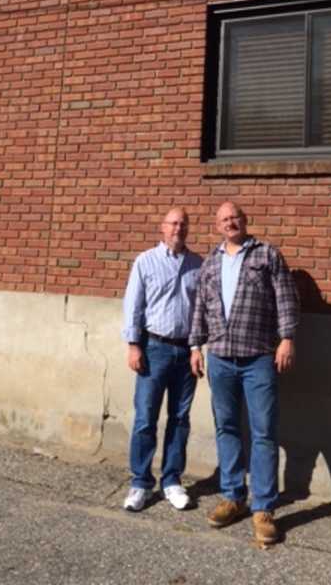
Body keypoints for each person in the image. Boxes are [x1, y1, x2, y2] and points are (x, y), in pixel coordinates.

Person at [189, 201, 299, 545]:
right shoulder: (211, 262)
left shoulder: (267, 255)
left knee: (264, 432)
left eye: (235, 217)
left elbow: (285, 298)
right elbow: (200, 308)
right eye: (224, 219)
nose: (230, 223)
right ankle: (233, 496)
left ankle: (263, 508)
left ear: (245, 220)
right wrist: (195, 346)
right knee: (227, 427)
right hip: (220, 356)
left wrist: (287, 339)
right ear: (217, 226)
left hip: (258, 357)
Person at [121, 207, 203, 512]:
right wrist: (133, 345)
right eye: (173, 223)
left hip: (185, 352)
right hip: (153, 347)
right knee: (145, 418)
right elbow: (134, 306)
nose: (178, 228)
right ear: (162, 228)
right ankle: (140, 482)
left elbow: (199, 313)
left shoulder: (198, 264)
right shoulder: (145, 261)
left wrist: (196, 347)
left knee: (180, 420)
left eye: (183, 223)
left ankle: (171, 481)